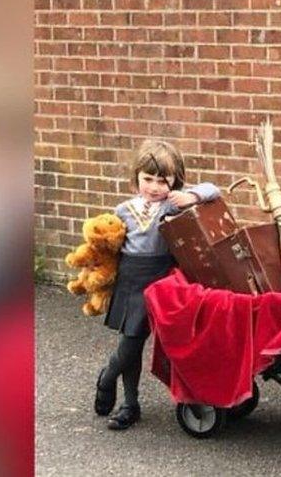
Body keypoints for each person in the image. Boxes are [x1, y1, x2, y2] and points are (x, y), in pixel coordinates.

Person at [94, 139, 220, 430]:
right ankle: (128, 403)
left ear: (175, 180)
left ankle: (109, 377)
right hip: (131, 278)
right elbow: (107, 248)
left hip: (161, 279)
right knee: (132, 342)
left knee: (138, 341)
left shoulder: (173, 205)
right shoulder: (123, 210)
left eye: (163, 180)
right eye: (147, 179)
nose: (154, 187)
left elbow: (214, 189)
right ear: (135, 178)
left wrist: (192, 197)